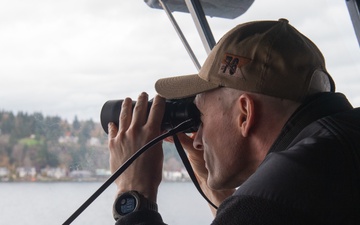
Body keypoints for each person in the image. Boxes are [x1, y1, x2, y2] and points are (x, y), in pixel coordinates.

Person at [107, 18, 360, 224]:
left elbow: (258, 210)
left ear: (245, 114)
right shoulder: (335, 153)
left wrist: (135, 193)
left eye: (199, 116)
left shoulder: (270, 202)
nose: (197, 141)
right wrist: (209, 179)